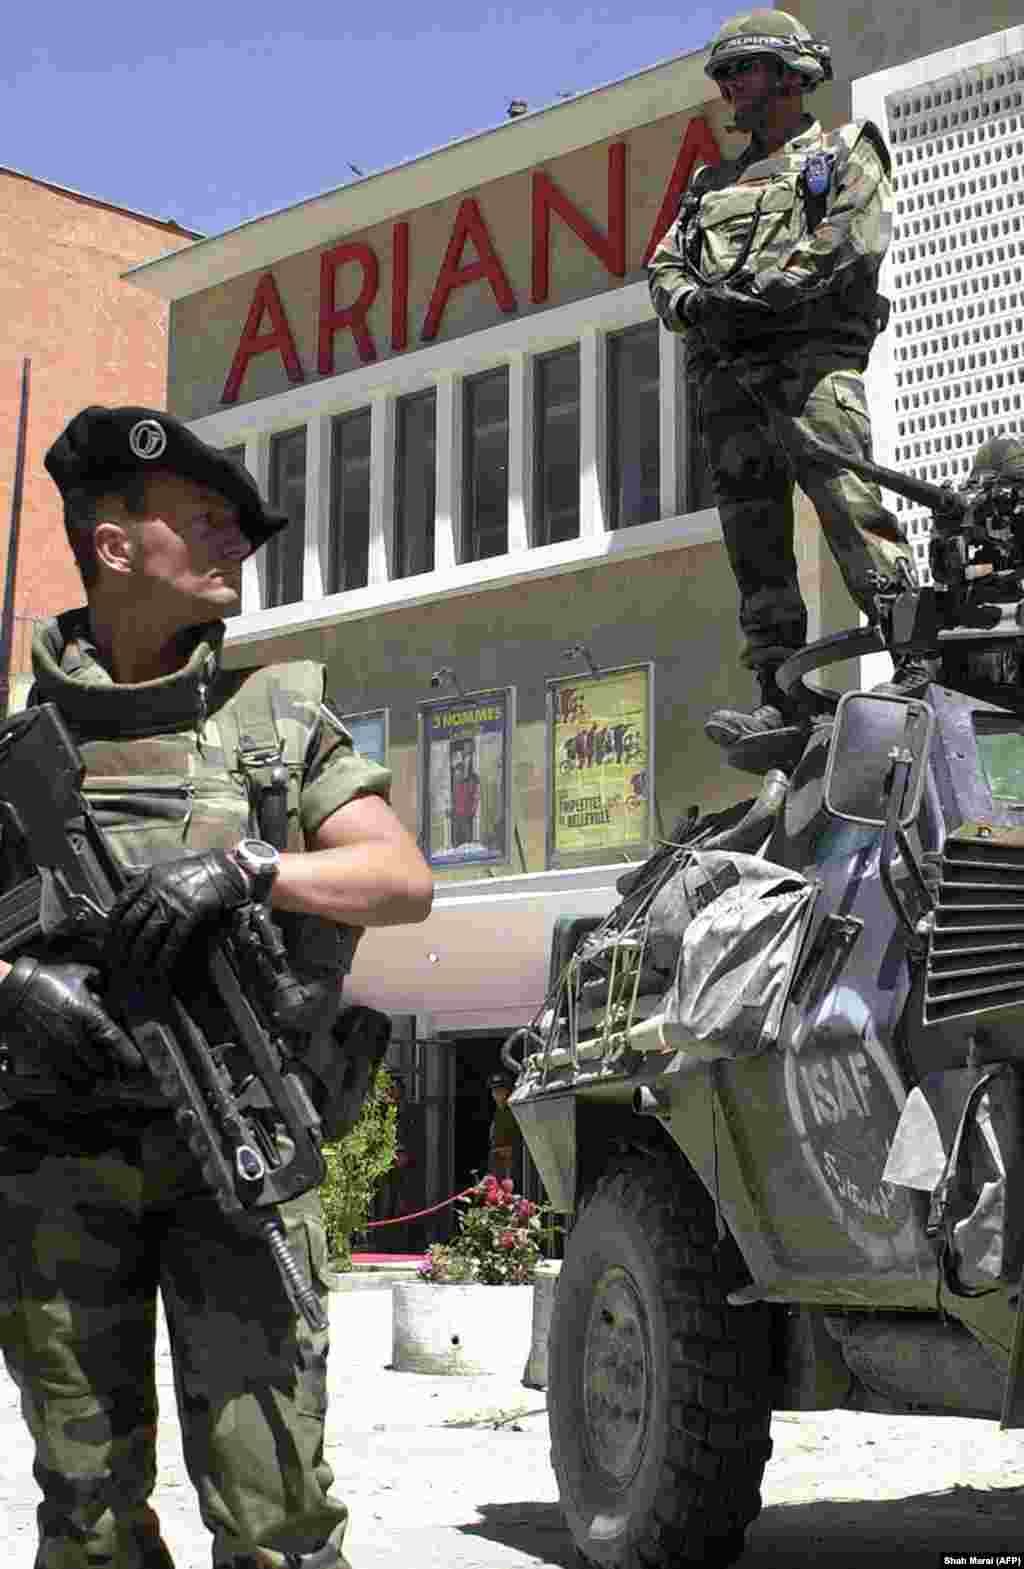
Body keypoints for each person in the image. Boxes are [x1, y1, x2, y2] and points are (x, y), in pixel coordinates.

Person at [0, 405, 434, 1569]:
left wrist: (248, 866)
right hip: (55, 1159)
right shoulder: (17, 739)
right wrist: (10, 987)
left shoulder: (275, 718)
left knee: (275, 1517)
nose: (238, 549)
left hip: (234, 1149)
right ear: (115, 544)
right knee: (85, 1520)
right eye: (205, 524)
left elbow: (399, 879)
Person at [648, 8, 923, 748]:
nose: (733, 84)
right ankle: (778, 691)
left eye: (748, 68)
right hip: (730, 384)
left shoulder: (842, 150)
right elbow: (665, 266)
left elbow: (849, 238)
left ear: (792, 75)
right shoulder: (709, 184)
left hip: (809, 372)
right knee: (755, 541)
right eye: (727, 72)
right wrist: (696, 301)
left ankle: (918, 661)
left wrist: (764, 291)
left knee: (853, 513)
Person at [486, 1069, 521, 1183]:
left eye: (500, 1090)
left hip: (510, 1162)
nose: (496, 1093)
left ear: (507, 1091)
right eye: (494, 1090)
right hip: (497, 1161)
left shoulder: (513, 1109)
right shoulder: (498, 1111)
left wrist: (511, 1150)